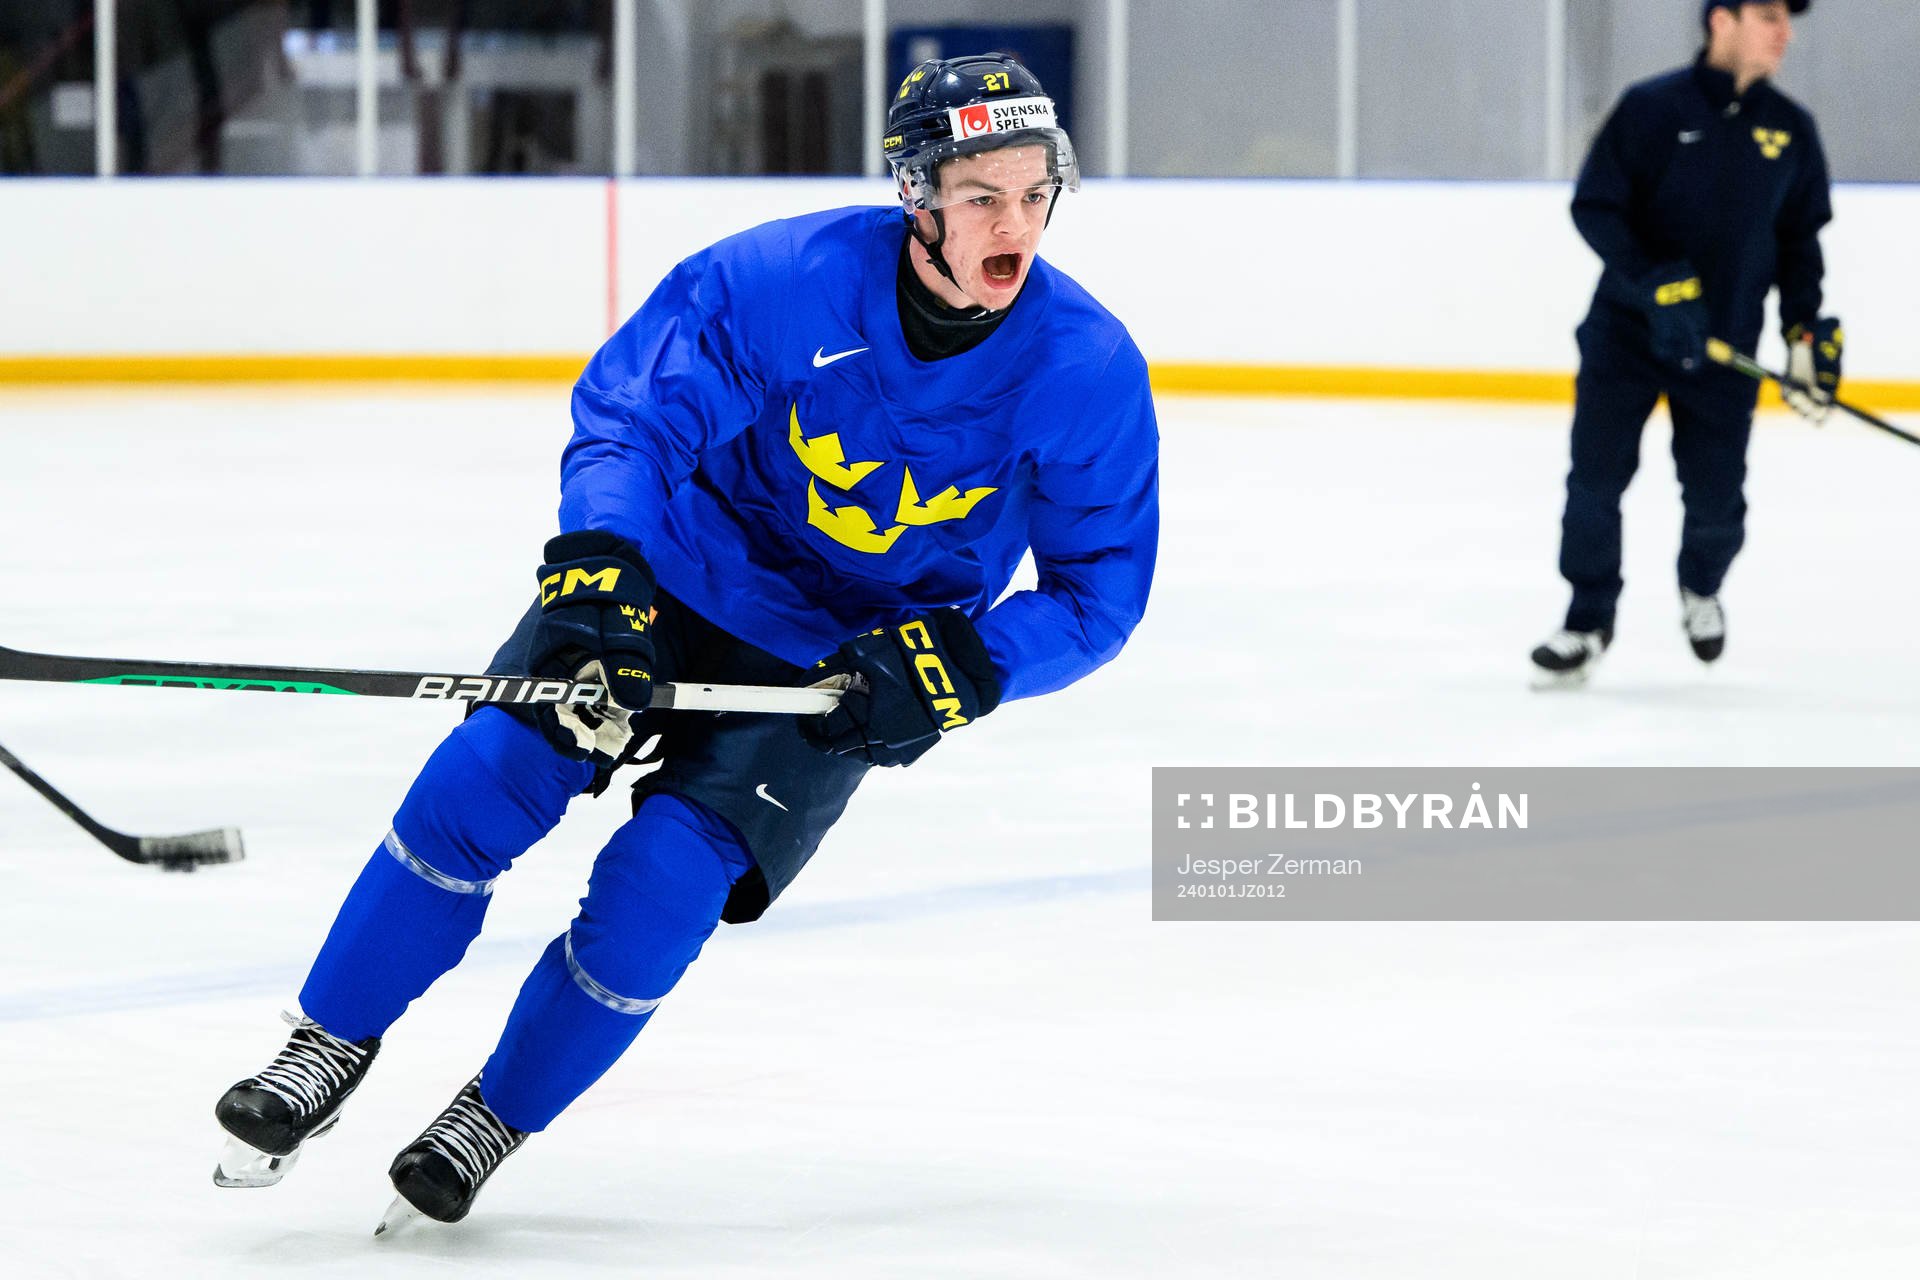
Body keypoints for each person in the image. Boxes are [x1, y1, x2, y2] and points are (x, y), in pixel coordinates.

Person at [209, 53, 1159, 1232]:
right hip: (683, 582)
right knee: (487, 777)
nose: (1014, 224)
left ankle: (492, 1114)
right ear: (918, 196)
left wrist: (970, 662)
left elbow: (1098, 590)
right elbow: (635, 412)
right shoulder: (787, 280)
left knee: (662, 885)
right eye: (982, 198)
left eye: (1033, 194)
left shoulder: (1087, 368)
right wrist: (605, 554)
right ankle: (327, 1042)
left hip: (842, 667)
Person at [1530, 0, 1840, 688]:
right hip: (1625, 339)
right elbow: (1596, 207)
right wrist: (1654, 280)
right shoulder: (1651, 109)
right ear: (1720, 20)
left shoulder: (1790, 131)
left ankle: (1701, 587)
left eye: (1789, 20)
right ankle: (1586, 620)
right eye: (1768, 15)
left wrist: (1804, 330)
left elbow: (1798, 245)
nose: (1785, 33)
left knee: (1716, 500)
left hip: (1725, 350)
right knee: (1595, 484)